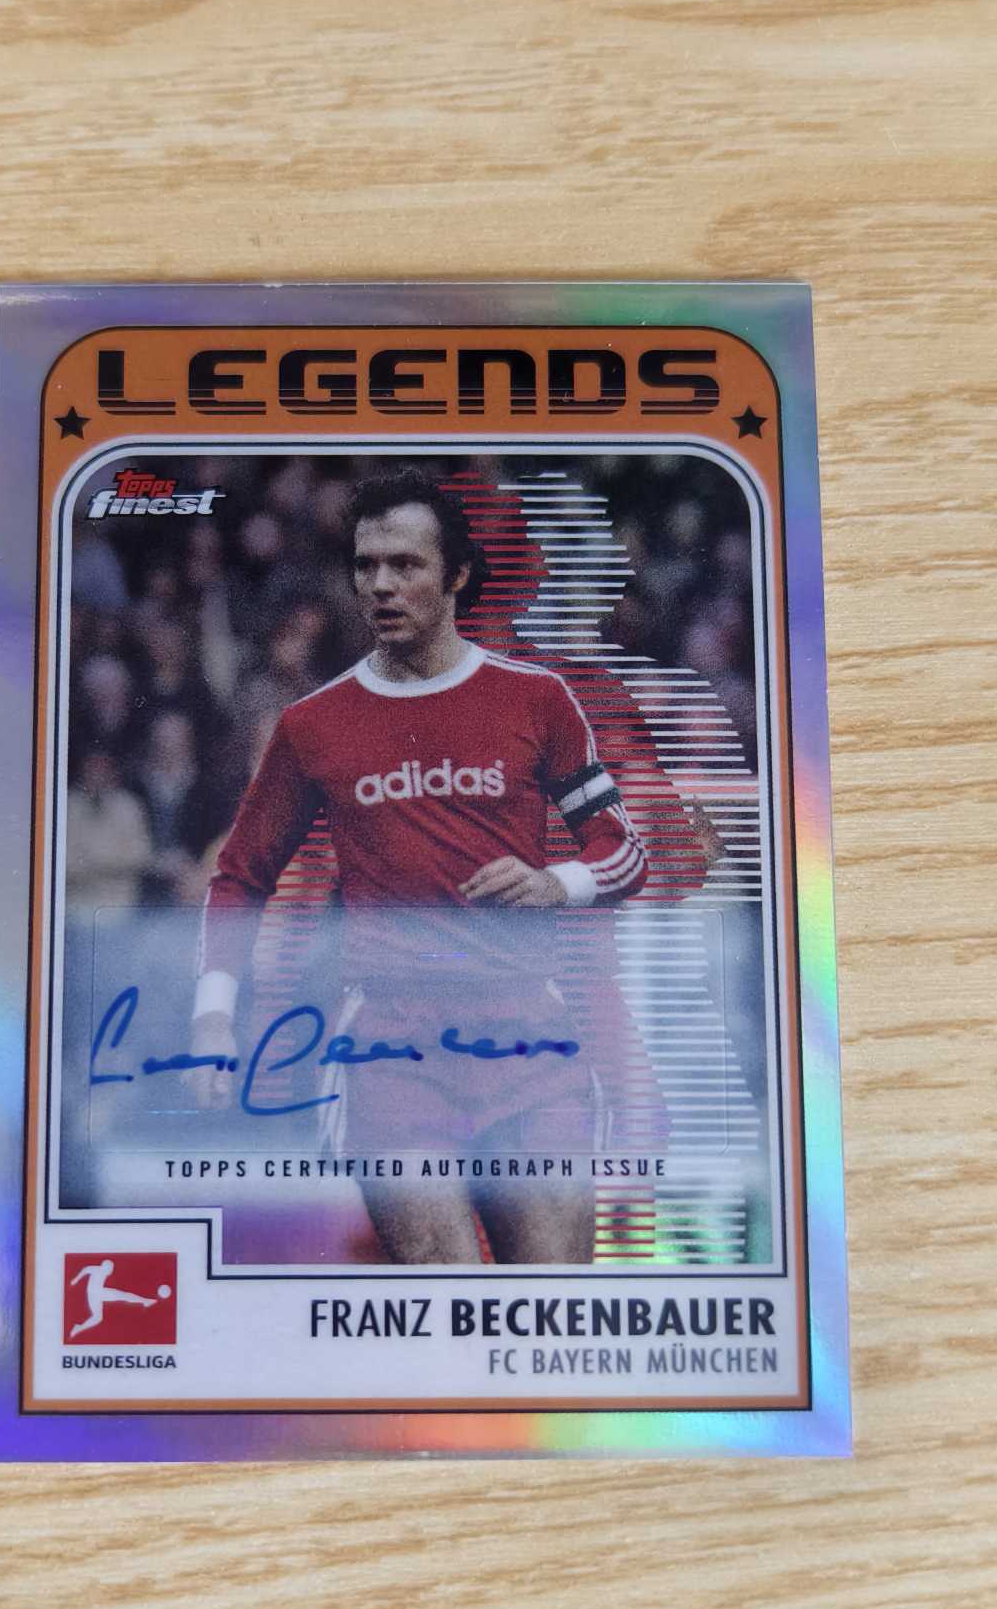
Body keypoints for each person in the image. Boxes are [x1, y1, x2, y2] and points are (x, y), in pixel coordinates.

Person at [193, 470, 706, 1265]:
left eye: (405, 564)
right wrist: (213, 1014)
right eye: (366, 566)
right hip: (391, 1049)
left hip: (529, 1040)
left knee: (553, 1311)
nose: (381, 585)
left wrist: (556, 883)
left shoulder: (537, 700)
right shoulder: (313, 725)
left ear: (458, 574)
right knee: (445, 1303)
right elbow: (241, 876)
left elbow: (624, 852)